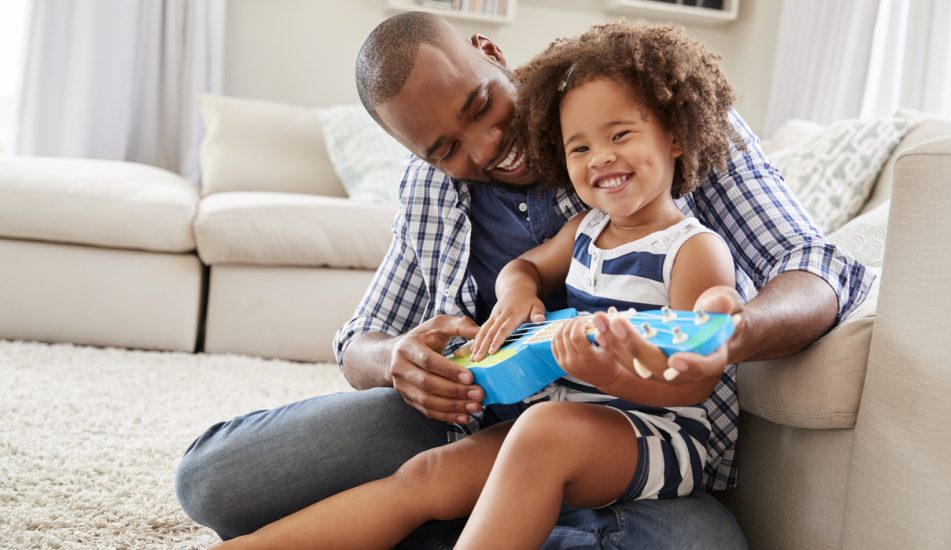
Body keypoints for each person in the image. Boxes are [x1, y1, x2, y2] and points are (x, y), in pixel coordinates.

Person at [175, 11, 874, 549]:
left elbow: (811, 266)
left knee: (701, 545)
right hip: (474, 423)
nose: (486, 149)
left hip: (627, 434)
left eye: (481, 106)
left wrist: (730, 333)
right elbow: (361, 336)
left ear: (491, 51)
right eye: (445, 148)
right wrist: (396, 361)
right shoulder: (439, 189)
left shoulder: (644, 113)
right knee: (214, 483)